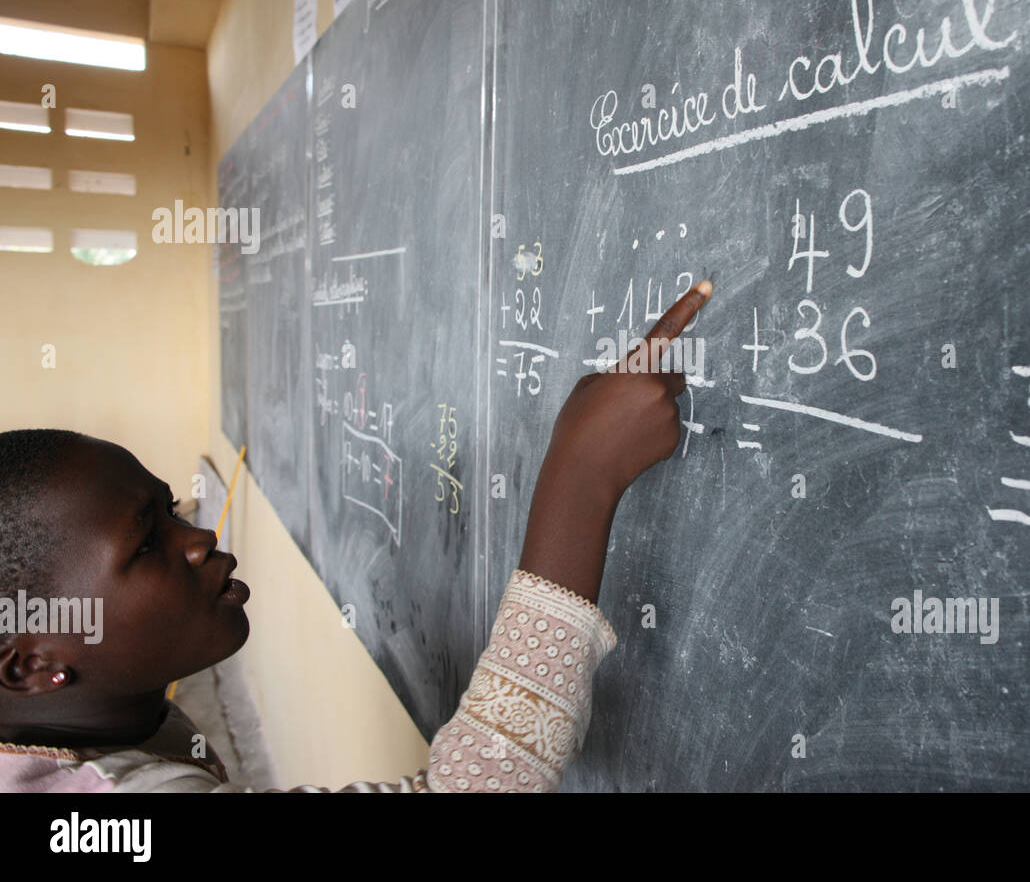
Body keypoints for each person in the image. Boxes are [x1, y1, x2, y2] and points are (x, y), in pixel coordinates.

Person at [0, 281, 712, 792]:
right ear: (30, 665)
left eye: (171, 509)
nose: (195, 538)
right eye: (145, 545)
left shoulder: (90, 724)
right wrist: (580, 478)